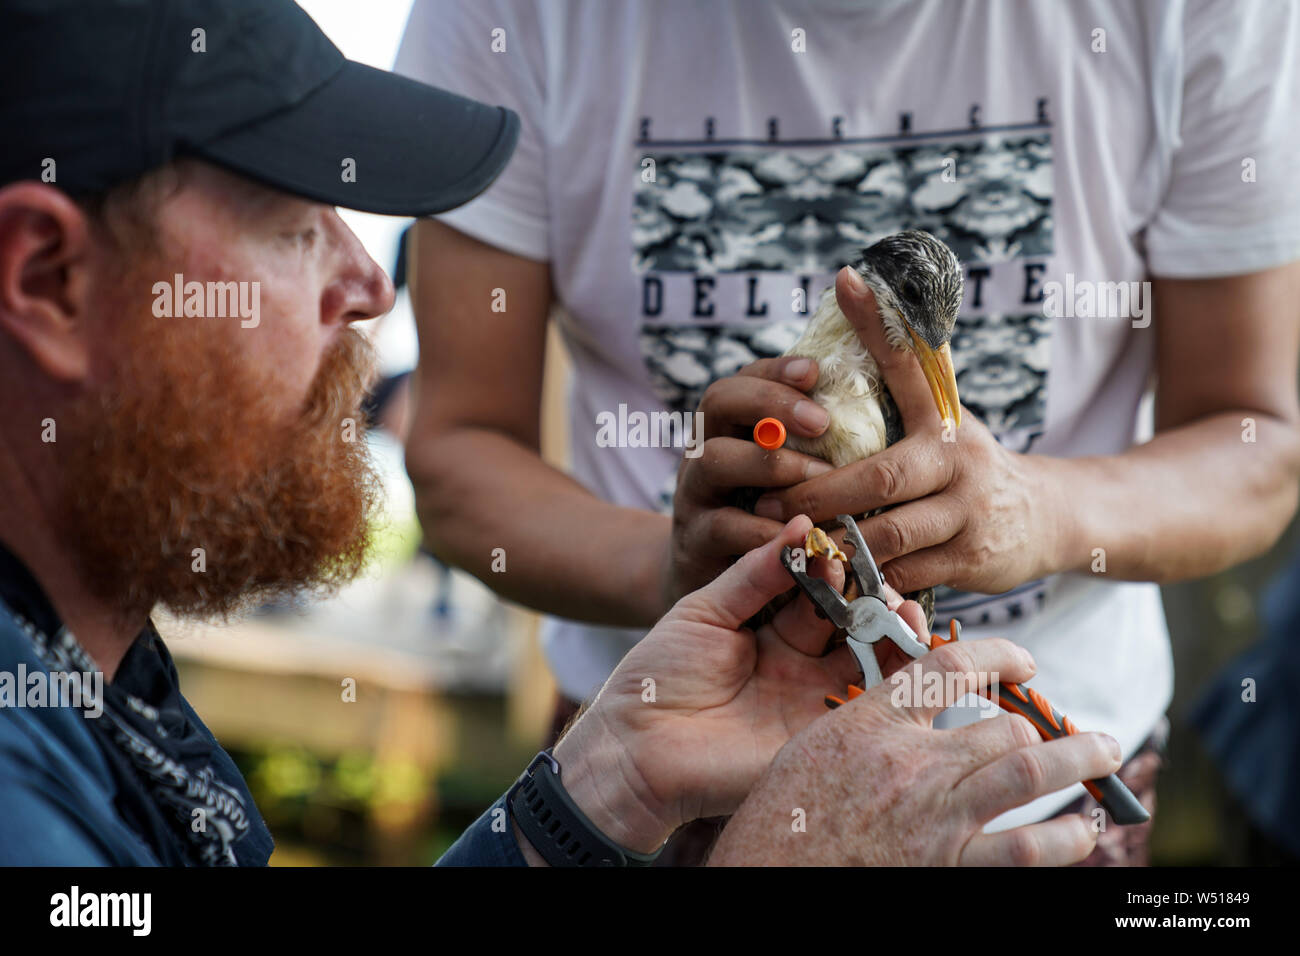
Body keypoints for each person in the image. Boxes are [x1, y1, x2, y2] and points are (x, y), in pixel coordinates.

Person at [0, 0, 1117, 868]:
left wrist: (592, 790)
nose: (368, 286)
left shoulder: (97, 682)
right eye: (295, 226)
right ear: (48, 277)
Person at [395, 0, 1300, 860]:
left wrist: (1040, 513)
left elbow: (1256, 442)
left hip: (1046, 789)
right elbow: (457, 452)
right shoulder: (512, 18)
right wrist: (683, 574)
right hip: (658, 774)